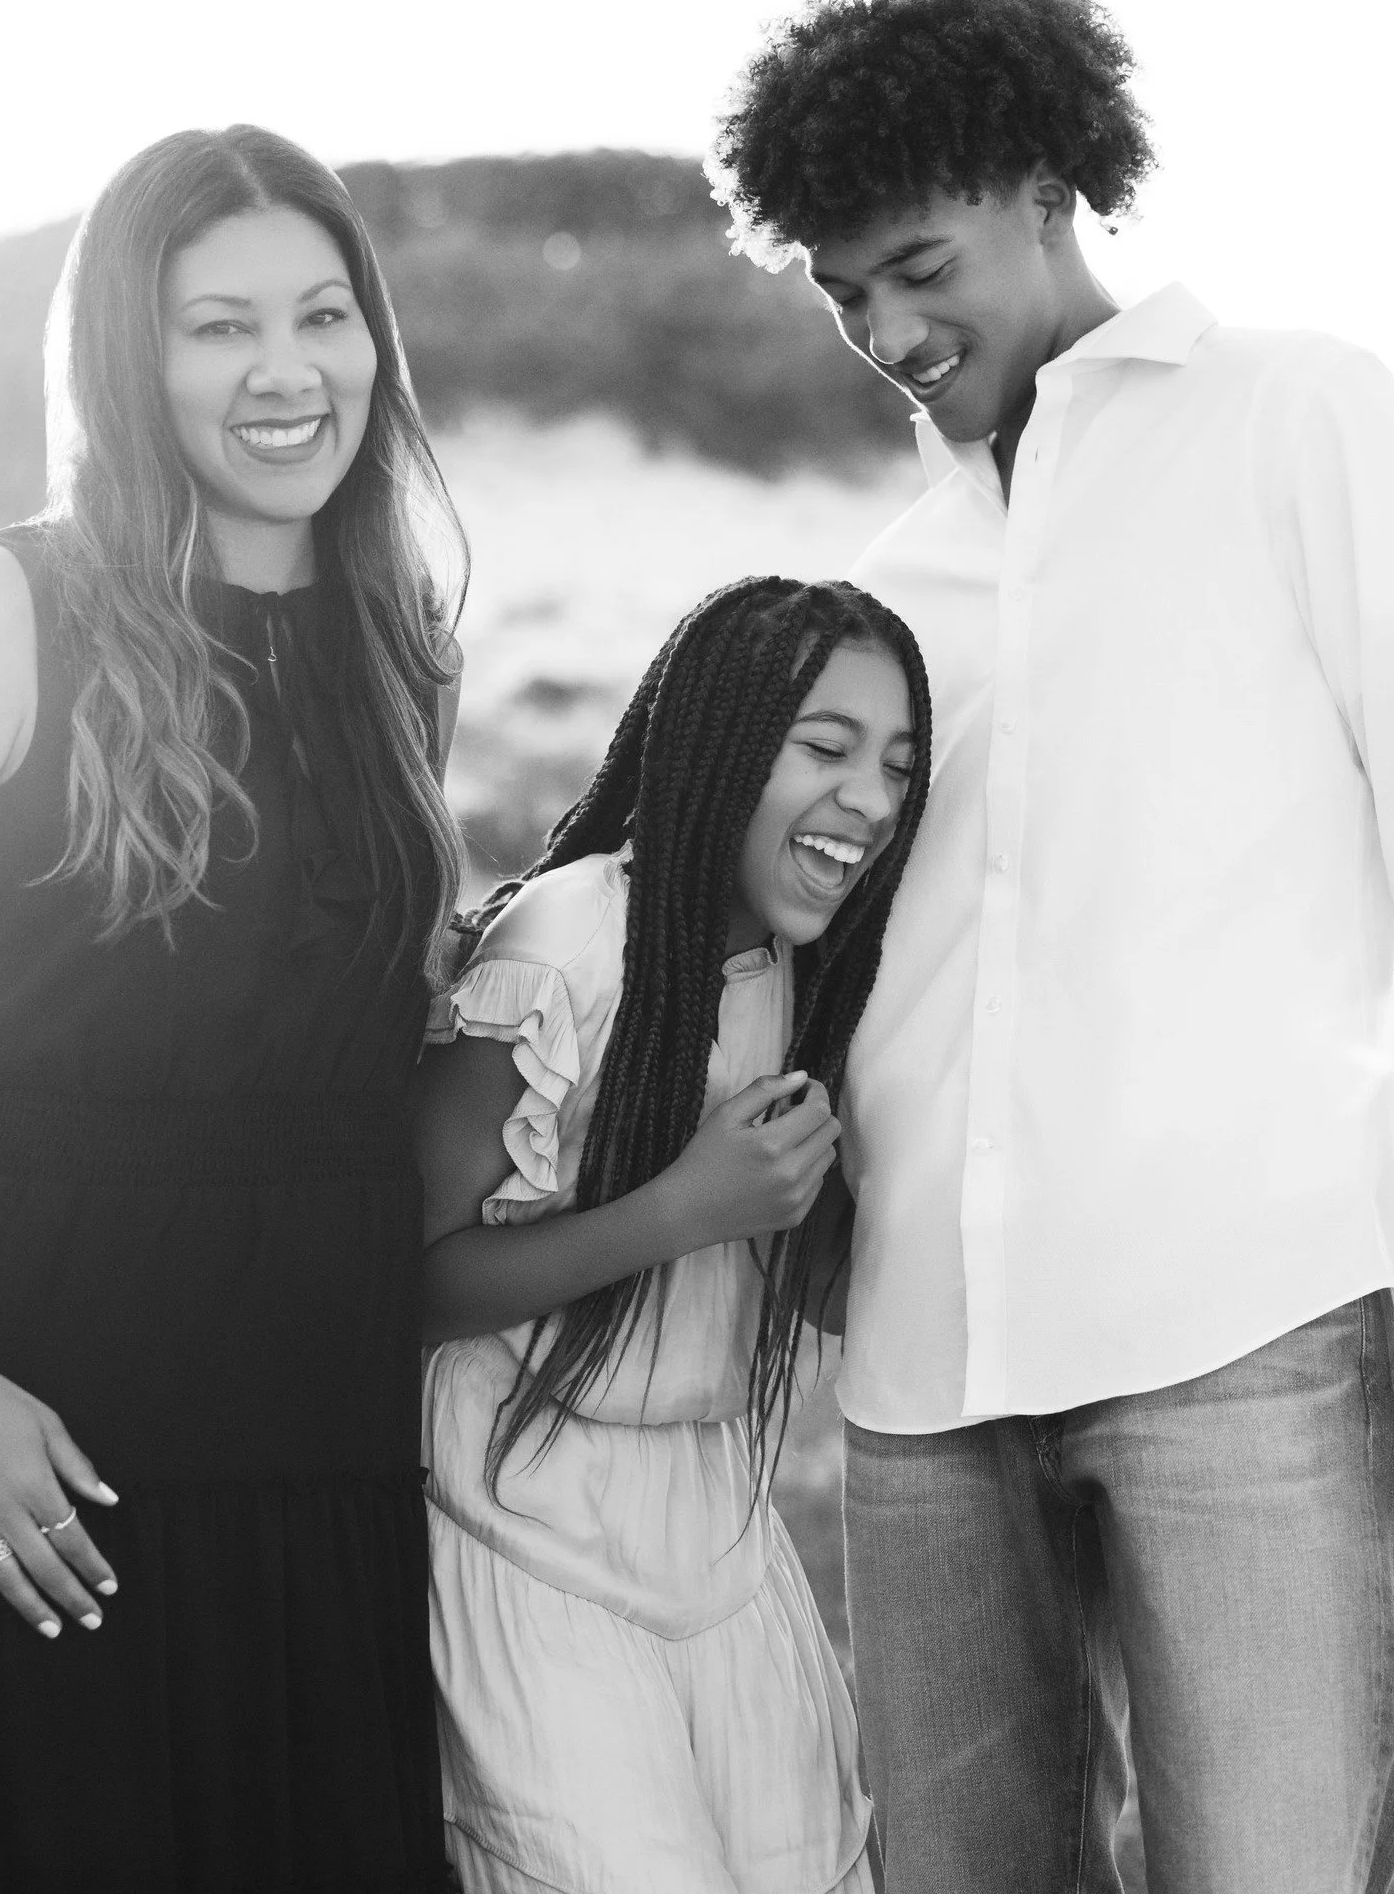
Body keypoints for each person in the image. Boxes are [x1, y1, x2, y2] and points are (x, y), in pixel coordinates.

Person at [706, 0, 1394, 1893]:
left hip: (1245, 1338)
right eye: (841, 289)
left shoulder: (1305, 420)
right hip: (924, 1388)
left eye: (919, 264)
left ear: (1050, 184)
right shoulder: (886, 580)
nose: (884, 327)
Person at [0, 125, 466, 1891]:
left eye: (325, 316)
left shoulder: (395, 636)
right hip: (14, 1451)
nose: (286, 372)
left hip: (316, 1457)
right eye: (217, 326)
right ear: (122, 352)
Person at [414, 576, 931, 1894]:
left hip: (716, 1525)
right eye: (823, 749)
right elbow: (405, 1278)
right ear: (714, 739)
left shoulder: (826, 978)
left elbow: (811, 1285)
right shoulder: (571, 939)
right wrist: (678, 1211)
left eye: (895, 767)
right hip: (522, 1512)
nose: (867, 800)